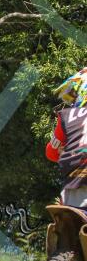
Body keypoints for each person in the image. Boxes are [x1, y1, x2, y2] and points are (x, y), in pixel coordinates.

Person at [45, 67, 87, 209]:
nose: (72, 100)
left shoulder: (67, 115)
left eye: (74, 95)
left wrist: (64, 149)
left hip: (74, 186)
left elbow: (51, 152)